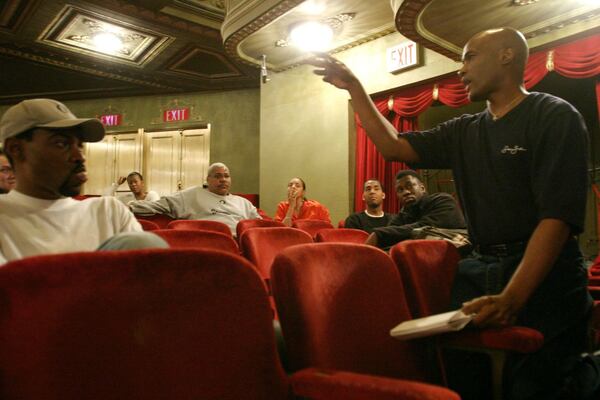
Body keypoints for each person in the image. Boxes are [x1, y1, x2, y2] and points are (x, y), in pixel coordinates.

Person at [309, 27, 597, 399]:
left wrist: (513, 298)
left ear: (507, 55)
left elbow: (556, 219)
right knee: (464, 380)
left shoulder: (552, 115)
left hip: (547, 274)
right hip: (479, 269)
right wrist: (355, 88)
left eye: (469, 56)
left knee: (542, 385)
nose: (461, 69)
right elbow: (394, 146)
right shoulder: (465, 129)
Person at [0, 98, 167, 265]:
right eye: (61, 143)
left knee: (144, 243)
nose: (80, 156)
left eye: (79, 145)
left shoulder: (110, 212)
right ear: (16, 150)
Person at [129, 162, 260, 235]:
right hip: (206, 242)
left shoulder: (243, 203)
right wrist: (130, 207)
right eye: (218, 176)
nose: (223, 180)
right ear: (208, 179)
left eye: (226, 176)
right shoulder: (192, 194)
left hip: (239, 244)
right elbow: (161, 205)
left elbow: (260, 226)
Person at [365, 170, 465, 249]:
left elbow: (423, 227)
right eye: (400, 190)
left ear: (422, 188)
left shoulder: (443, 201)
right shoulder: (403, 214)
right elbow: (392, 232)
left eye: (410, 186)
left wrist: (379, 234)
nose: (406, 192)